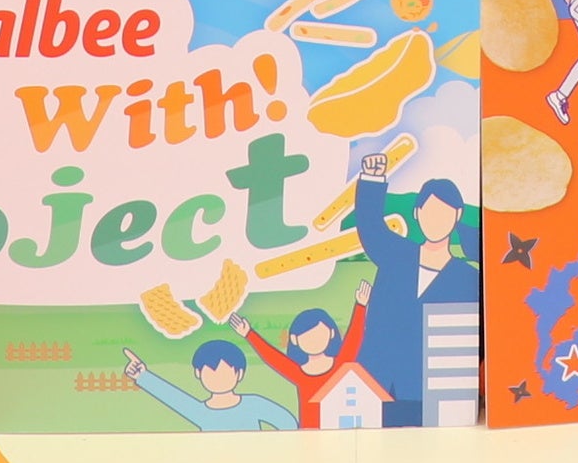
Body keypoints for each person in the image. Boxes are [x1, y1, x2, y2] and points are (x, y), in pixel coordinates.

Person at [348, 134, 477, 426]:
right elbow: (370, 226)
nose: (436, 219)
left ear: (457, 215)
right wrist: (372, 178)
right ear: (417, 213)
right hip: (375, 380)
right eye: (429, 210)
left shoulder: (466, 277)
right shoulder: (395, 254)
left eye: (444, 212)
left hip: (427, 393)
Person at [228, 300, 373, 428]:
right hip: (309, 439)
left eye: (319, 335)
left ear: (331, 333)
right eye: (307, 337)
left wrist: (360, 306)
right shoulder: (300, 374)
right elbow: (273, 358)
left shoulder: (340, 366)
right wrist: (249, 334)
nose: (314, 341)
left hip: (337, 435)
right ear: (295, 340)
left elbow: (353, 339)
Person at [120, 334, 289, 431]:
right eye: (211, 373)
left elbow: (287, 423)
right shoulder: (201, 411)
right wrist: (143, 376)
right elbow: (174, 398)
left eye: (224, 373)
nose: (218, 378)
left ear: (239, 374)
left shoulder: (253, 404)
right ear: (198, 373)